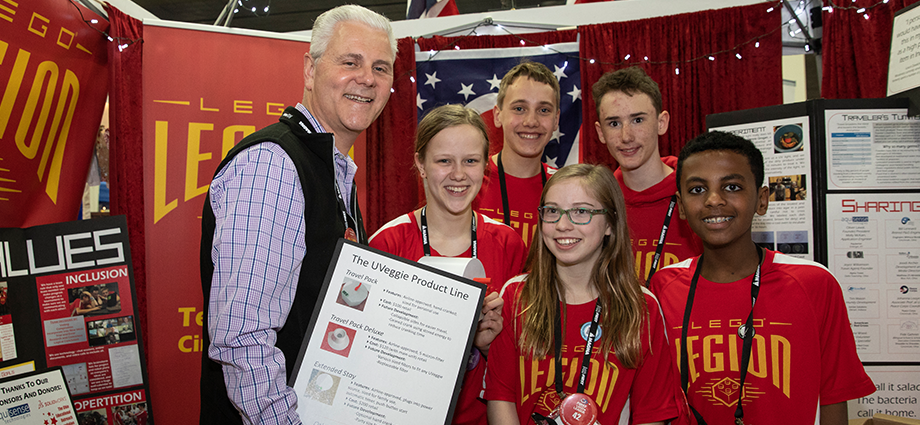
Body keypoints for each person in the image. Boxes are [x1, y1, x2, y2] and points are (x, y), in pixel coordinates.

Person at [198, 5, 396, 424]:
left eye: (381, 67)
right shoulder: (274, 165)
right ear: (310, 69)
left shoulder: (332, 169)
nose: (367, 79)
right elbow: (241, 338)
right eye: (350, 62)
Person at [651, 131, 874, 425]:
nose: (714, 200)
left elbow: (834, 397)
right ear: (680, 205)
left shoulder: (813, 282)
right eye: (697, 190)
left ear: (762, 199)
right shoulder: (664, 287)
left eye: (732, 186)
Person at [485, 164, 682, 425]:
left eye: (581, 212)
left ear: (610, 224)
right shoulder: (516, 296)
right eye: (552, 211)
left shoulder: (641, 307)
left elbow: (652, 413)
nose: (563, 225)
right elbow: (501, 398)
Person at [370, 104, 526, 425]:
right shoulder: (388, 244)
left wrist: (486, 345)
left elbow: (521, 360)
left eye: (470, 161)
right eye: (444, 161)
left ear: (485, 165)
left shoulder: (509, 244)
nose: (458, 174)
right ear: (421, 164)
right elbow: (371, 355)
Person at [593, 66, 701, 284]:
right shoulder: (597, 200)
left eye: (638, 120)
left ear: (662, 123)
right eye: (614, 123)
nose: (626, 136)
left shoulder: (697, 195)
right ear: (600, 133)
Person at [473, 61, 560, 248]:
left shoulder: (565, 188)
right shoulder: (471, 180)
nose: (531, 121)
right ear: (498, 115)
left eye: (543, 110)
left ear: (556, 120)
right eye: (519, 108)